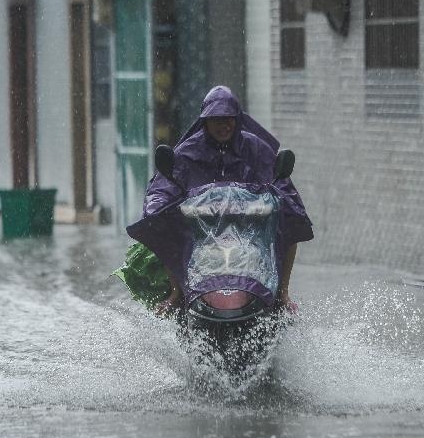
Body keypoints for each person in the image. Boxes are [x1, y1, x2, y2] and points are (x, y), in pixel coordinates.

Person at [132, 85, 314, 315]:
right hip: (201, 235)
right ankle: (177, 293)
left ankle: (282, 294)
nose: (223, 125)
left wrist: (283, 201)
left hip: (251, 232)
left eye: (228, 119)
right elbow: (163, 186)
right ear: (205, 122)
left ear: (237, 120)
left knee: (289, 225)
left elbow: (282, 185)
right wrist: (158, 206)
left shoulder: (256, 148)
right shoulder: (187, 152)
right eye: (216, 119)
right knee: (166, 227)